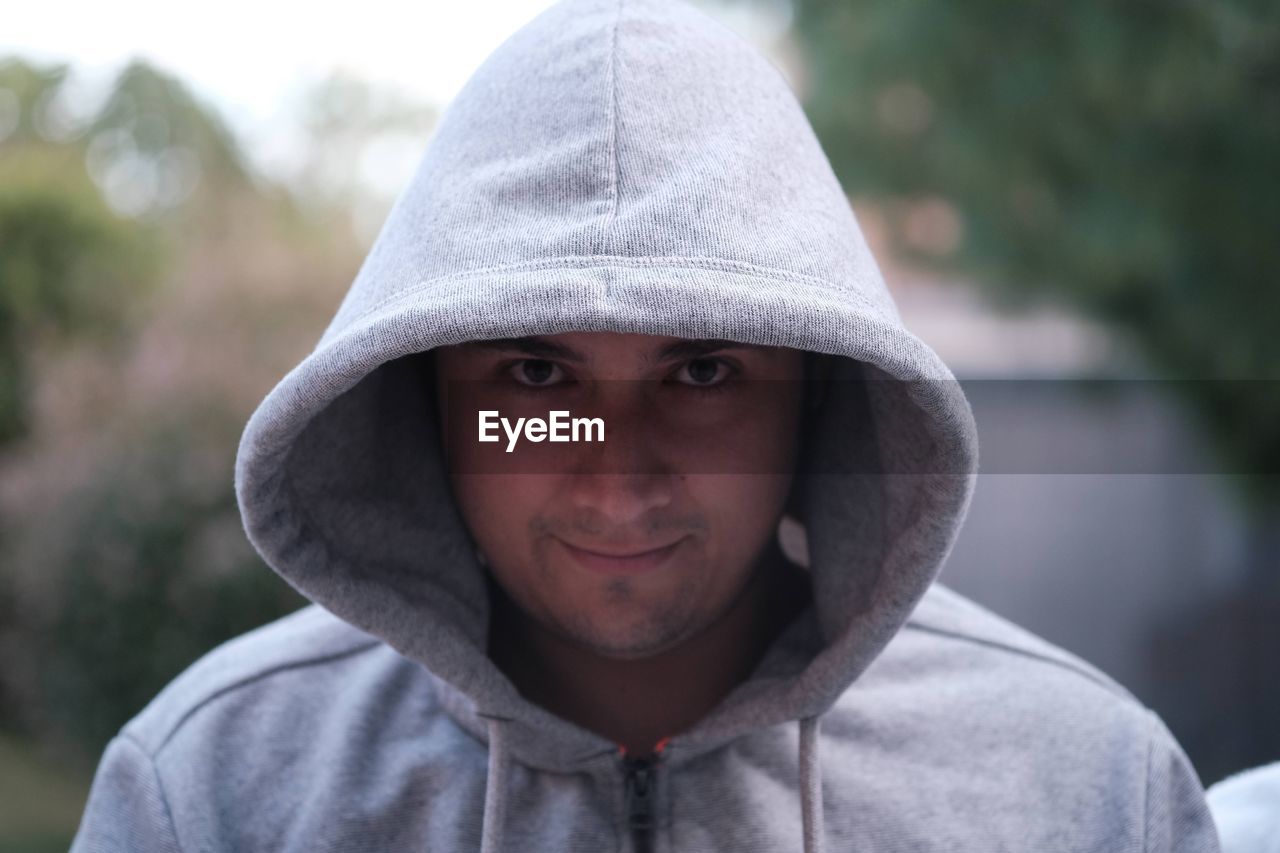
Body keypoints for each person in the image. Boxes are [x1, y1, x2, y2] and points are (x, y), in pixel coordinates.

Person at [70, 0, 1221, 850]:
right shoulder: (214, 790)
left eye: (705, 371)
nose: (616, 482)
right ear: (419, 400)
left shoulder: (1081, 787)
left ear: (819, 392)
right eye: (532, 375)